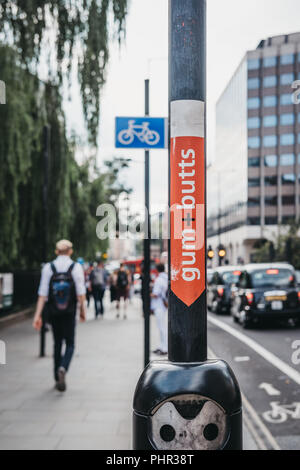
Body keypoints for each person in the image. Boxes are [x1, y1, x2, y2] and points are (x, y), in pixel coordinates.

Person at [33, 240, 86, 392]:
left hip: (54, 311)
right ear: (70, 251)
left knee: (57, 343)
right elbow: (81, 294)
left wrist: (37, 316)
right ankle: (63, 367)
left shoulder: (49, 268)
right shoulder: (76, 267)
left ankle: (57, 378)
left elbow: (42, 294)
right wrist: (82, 310)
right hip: (70, 312)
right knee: (70, 343)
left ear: (56, 252)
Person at [151, 263, 168, 356]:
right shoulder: (166, 278)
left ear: (157, 270)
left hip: (159, 305)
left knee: (161, 327)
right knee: (162, 326)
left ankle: (164, 347)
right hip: (164, 305)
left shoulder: (159, 280)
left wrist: (148, 293)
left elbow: (156, 294)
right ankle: (162, 346)